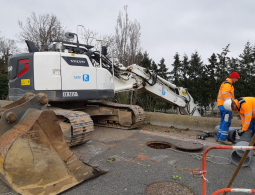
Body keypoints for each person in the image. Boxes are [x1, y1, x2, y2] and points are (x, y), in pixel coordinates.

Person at [216, 72, 240, 145]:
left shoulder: (226, 83)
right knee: (227, 122)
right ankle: (223, 138)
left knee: (223, 121)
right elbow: (225, 94)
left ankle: (219, 136)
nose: (237, 80)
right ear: (233, 77)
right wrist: (231, 104)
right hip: (226, 106)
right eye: (236, 78)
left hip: (222, 105)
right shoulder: (227, 84)